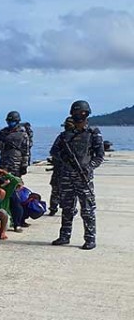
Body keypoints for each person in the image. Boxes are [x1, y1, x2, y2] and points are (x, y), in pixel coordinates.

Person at [50, 100, 104, 250]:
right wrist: (63, 156)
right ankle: (64, 236)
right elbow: (54, 151)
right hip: (66, 175)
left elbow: (99, 156)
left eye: (81, 113)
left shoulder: (93, 133)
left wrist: (89, 167)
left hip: (83, 176)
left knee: (87, 209)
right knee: (67, 208)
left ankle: (90, 238)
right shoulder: (65, 135)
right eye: (76, 113)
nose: (79, 116)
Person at [49, 117, 75, 216]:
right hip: (60, 167)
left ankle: (66, 207)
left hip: (71, 168)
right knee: (56, 189)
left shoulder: (79, 137)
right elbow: (53, 151)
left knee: (69, 190)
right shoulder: (62, 137)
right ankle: (53, 208)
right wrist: (62, 158)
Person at [0, 111, 30, 177]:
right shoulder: (3, 132)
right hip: (4, 162)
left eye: (12, 121)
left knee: (15, 182)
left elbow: (25, 151)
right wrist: (1, 143)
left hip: (16, 163)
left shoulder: (22, 133)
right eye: (8, 121)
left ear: (17, 121)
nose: (10, 123)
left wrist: (24, 165)